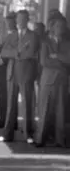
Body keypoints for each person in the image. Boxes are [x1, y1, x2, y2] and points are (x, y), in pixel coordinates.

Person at [0, 9, 39, 144]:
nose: (20, 21)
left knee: (27, 105)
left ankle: (28, 134)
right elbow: (4, 52)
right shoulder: (12, 35)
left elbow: (30, 52)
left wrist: (15, 52)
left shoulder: (33, 36)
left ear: (27, 20)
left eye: (23, 19)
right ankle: (7, 134)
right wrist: (17, 52)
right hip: (12, 72)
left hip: (26, 73)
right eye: (18, 19)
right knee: (10, 105)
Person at [35, 14, 70, 147]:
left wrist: (56, 56)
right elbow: (44, 61)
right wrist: (61, 62)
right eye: (59, 26)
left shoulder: (67, 43)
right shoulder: (45, 42)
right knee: (44, 109)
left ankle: (60, 140)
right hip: (48, 80)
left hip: (62, 81)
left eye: (63, 26)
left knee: (61, 110)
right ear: (53, 28)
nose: (62, 28)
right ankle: (40, 138)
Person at [0, 12, 17, 128]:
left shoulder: (16, 35)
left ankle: (8, 121)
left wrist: (4, 59)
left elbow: (15, 52)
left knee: (8, 97)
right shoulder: (6, 35)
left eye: (10, 21)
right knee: (3, 96)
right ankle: (3, 119)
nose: (8, 24)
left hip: (8, 68)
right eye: (7, 21)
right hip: (2, 69)